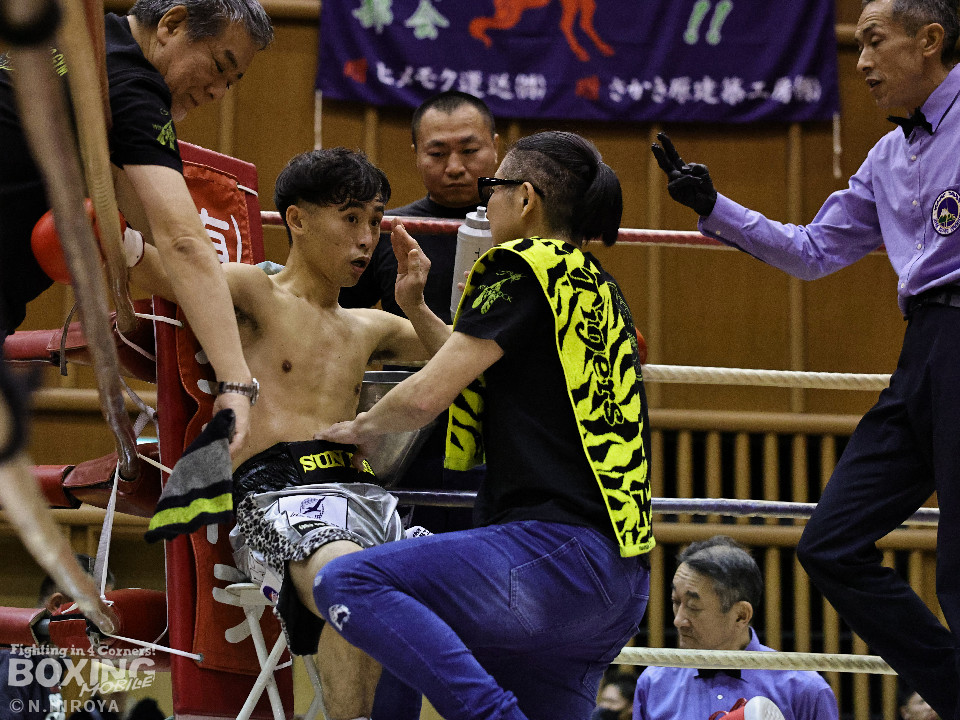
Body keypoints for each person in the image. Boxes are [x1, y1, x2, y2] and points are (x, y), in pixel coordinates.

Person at [651, 1, 960, 717]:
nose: (862, 61)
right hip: (922, 349)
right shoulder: (888, 157)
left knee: (957, 564)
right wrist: (716, 206)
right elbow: (814, 250)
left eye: (875, 42)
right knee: (830, 543)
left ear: (930, 40)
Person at [314, 130, 653, 720]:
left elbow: (427, 395)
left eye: (492, 188)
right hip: (617, 582)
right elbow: (473, 370)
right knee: (410, 627)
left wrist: (354, 428)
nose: (483, 200)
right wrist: (417, 307)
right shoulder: (598, 285)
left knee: (348, 583)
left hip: (550, 559)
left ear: (525, 199)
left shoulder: (518, 263)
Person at [132, 147, 449, 720]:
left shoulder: (370, 325)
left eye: (375, 221)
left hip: (368, 499)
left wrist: (416, 304)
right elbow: (154, 268)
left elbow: (463, 361)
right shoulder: (256, 293)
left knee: (442, 585)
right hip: (278, 499)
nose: (366, 239)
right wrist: (101, 214)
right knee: (352, 580)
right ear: (297, 220)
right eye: (350, 218)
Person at [0, 0, 275, 455]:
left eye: (231, 81)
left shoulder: (84, 50)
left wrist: (253, 290)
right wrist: (235, 381)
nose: (218, 92)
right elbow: (183, 242)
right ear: (172, 24)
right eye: (218, 66)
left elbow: (152, 242)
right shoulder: (128, 86)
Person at [339, 90, 500, 532]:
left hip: (504, 432)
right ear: (415, 153)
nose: (455, 166)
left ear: (495, 146)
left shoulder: (527, 237)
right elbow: (332, 318)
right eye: (437, 152)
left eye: (469, 150)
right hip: (409, 435)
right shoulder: (387, 233)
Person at [633, 537, 836, 720]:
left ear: (741, 615)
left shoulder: (807, 690)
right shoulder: (652, 683)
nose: (678, 620)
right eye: (676, 602)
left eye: (693, 607)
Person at [0, 554, 115, 720]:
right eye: (97, 611)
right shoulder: (14, 660)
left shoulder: (54, 662)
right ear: (58, 605)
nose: (105, 623)